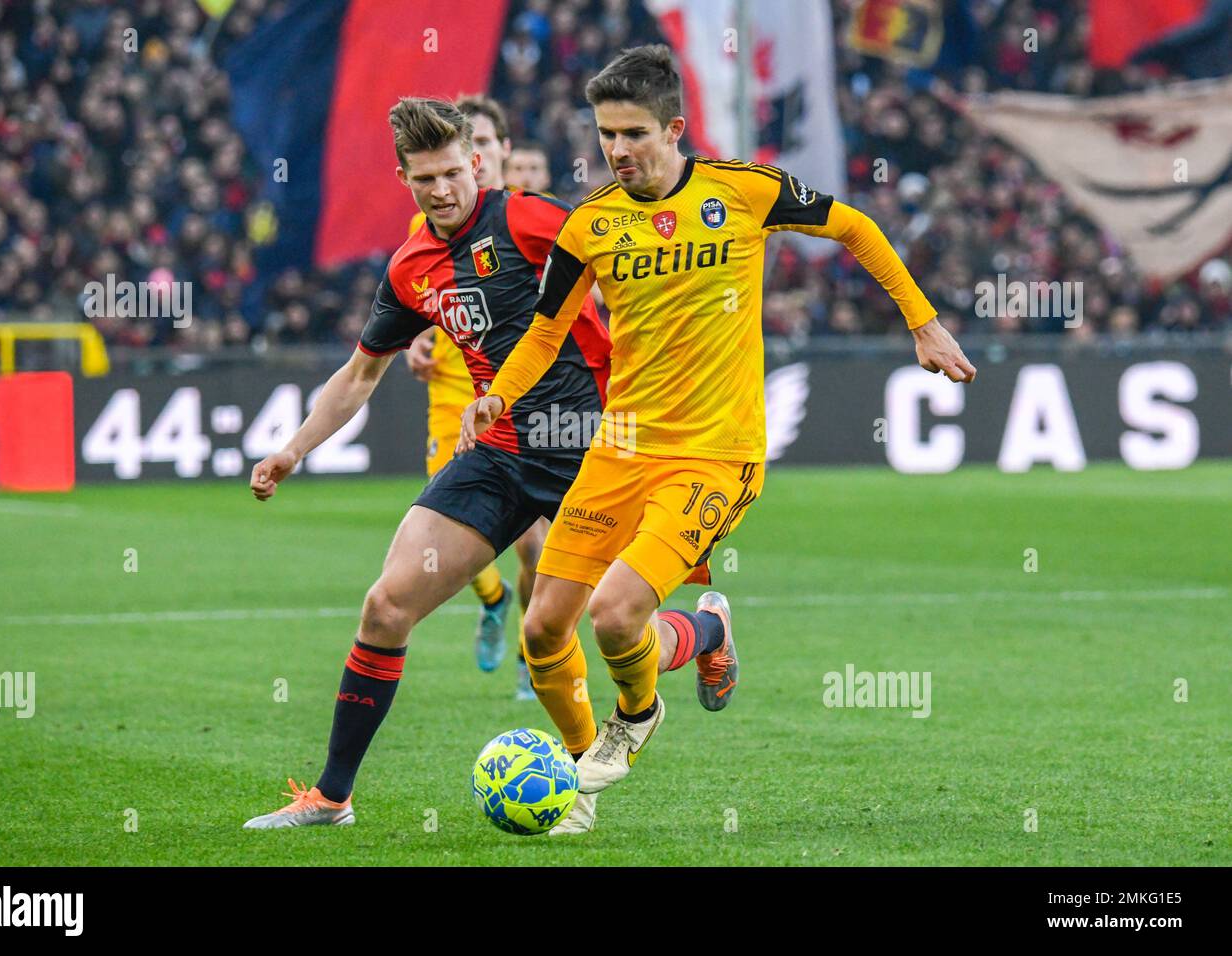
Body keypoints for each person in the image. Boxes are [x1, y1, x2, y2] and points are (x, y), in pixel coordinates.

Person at [460, 44, 977, 821]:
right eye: (606, 134)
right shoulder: (590, 227)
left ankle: (634, 719)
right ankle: (673, 670)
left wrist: (923, 322)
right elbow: (543, 330)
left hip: (715, 453)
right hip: (620, 449)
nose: (617, 150)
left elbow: (856, 226)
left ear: (674, 129)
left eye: (633, 133)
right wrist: (498, 397)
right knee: (542, 630)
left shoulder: (743, 190)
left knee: (614, 614)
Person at [242, 97, 705, 833]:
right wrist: (292, 449)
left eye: (453, 172)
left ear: (477, 165)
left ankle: (704, 636)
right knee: (386, 607)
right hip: (498, 454)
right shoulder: (411, 267)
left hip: (594, 447)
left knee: (609, 619)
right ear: (405, 179)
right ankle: (332, 799)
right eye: (424, 179)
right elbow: (360, 374)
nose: (442, 190)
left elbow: (628, 251)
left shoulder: (526, 218)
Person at [400, 95, 535, 699]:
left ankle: (537, 656)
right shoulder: (424, 227)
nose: (445, 181)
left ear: (494, 152)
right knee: (450, 535)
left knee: (535, 545)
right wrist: (418, 343)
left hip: (530, 407)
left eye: (477, 145)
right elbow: (424, 298)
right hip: (454, 396)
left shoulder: (528, 218)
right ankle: (496, 600)